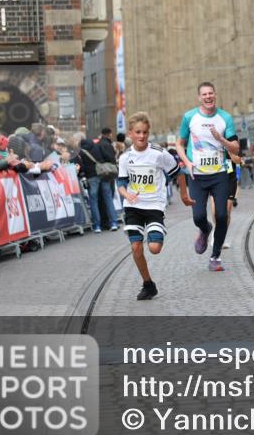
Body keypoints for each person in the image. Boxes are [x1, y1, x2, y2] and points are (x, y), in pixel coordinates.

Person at [117, 111, 192, 301]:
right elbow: (121, 184)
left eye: (145, 132)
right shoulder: (125, 158)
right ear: (130, 133)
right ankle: (148, 284)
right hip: (133, 207)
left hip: (154, 206)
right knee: (135, 247)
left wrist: (184, 195)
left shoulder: (159, 154)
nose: (141, 136)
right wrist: (127, 194)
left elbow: (179, 172)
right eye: (138, 132)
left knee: (154, 248)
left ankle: (155, 233)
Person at [176, 81, 239, 272]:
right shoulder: (189, 117)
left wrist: (221, 139)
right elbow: (180, 143)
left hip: (219, 174)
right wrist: (187, 162)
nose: (208, 97)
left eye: (211, 93)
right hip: (197, 176)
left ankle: (215, 256)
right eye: (204, 94)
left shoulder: (225, 118)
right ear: (199, 97)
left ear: (215, 95)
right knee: (199, 216)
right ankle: (205, 229)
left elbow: (236, 148)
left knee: (221, 214)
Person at [76, 137, 119, 233]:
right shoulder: (98, 147)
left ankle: (97, 226)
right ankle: (114, 223)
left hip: (91, 177)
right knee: (108, 199)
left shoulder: (81, 152)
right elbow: (108, 157)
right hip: (103, 174)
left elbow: (81, 166)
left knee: (93, 201)